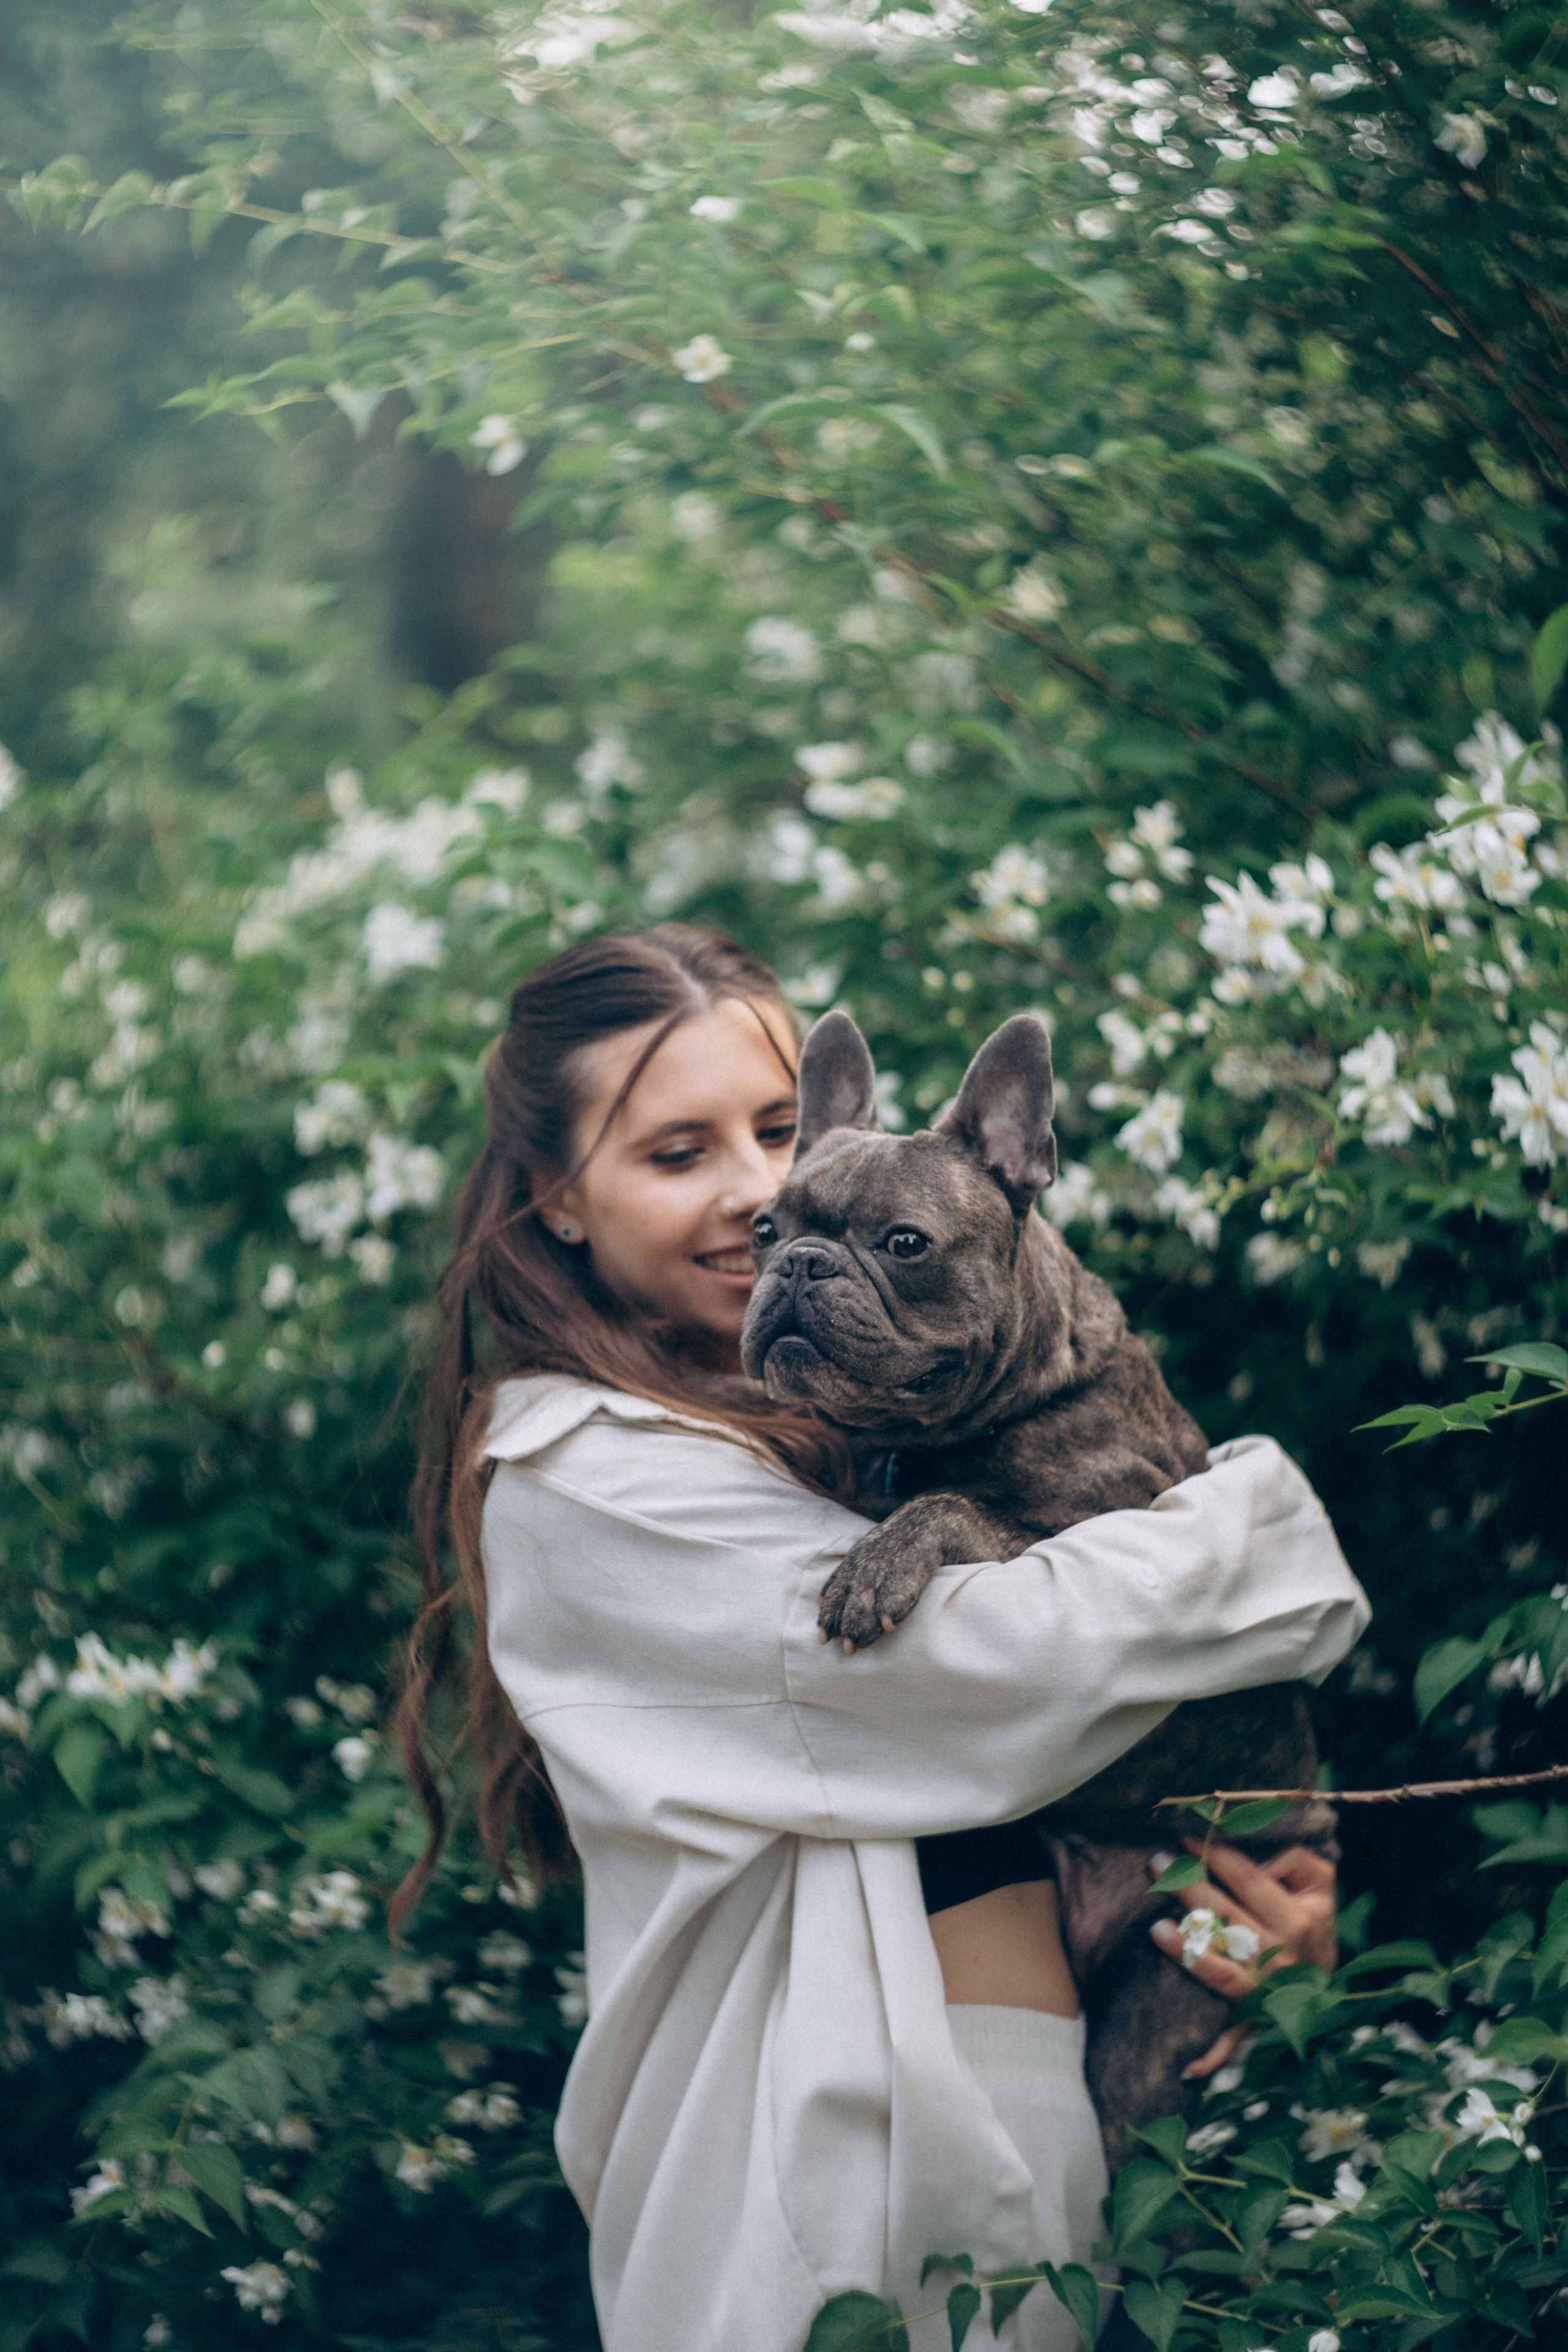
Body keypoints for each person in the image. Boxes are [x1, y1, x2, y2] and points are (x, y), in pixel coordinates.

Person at [396, 924, 1368, 2352]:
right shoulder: (583, 1474)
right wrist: (1259, 1520)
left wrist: (1251, 1920)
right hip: (830, 2169)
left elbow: (1128, 1734)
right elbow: (1006, 1668)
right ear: (556, 1196)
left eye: (780, 1132)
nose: (755, 1197)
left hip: (1020, 2106)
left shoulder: (848, 1417)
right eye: (678, 1155)